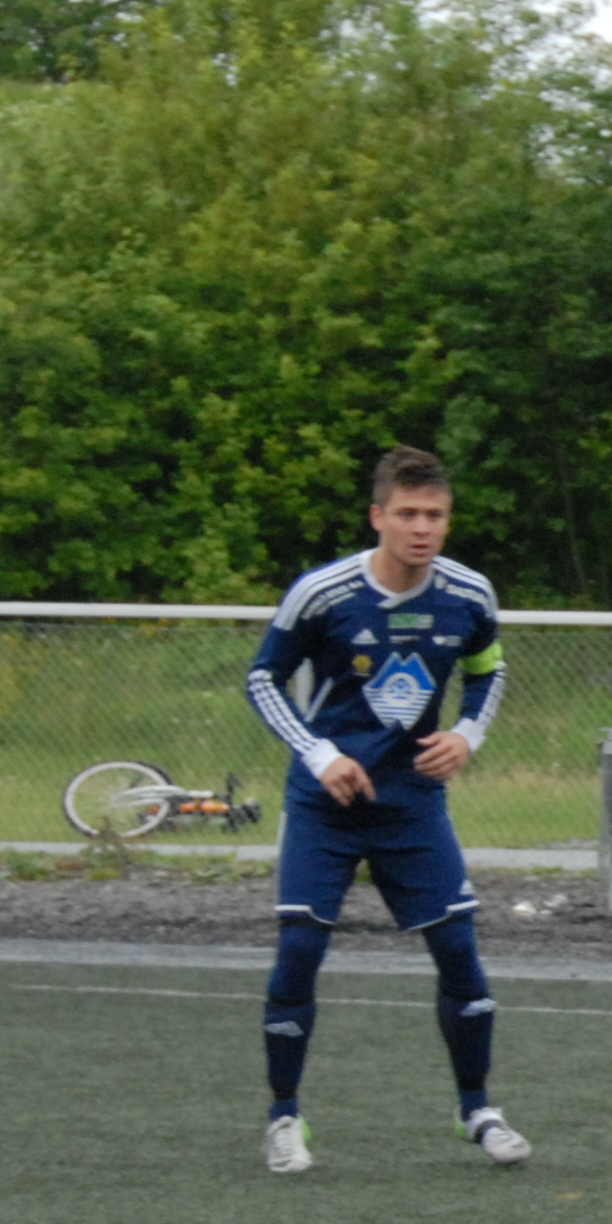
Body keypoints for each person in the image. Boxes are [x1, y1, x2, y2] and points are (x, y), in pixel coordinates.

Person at [240, 445, 528, 1176]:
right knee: (299, 953)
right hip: (326, 805)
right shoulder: (324, 593)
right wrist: (320, 755)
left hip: (412, 805)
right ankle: (283, 1117)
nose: (421, 528)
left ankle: (478, 1110)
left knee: (458, 951)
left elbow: (488, 670)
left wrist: (467, 734)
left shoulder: (469, 594)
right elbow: (264, 678)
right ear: (378, 516)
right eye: (407, 514)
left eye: (434, 515)